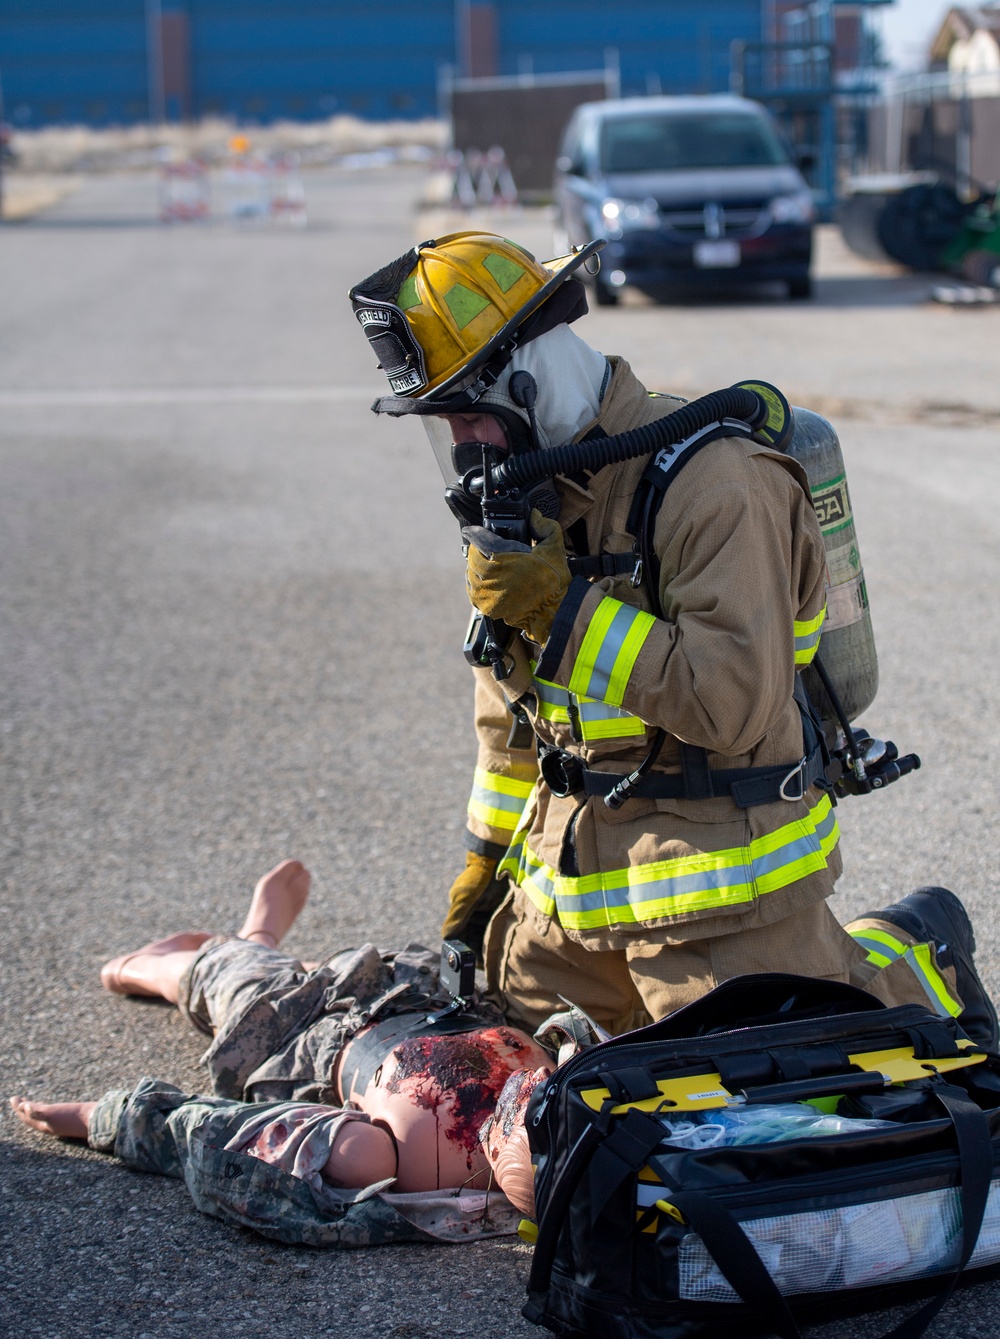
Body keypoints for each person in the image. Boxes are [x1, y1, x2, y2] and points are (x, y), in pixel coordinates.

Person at [349, 232, 999, 1050]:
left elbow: (731, 703)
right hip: (573, 895)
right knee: (506, 1077)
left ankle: (915, 960)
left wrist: (562, 612)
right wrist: (485, 864)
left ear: (529, 377)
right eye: (446, 429)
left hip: (718, 889)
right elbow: (512, 718)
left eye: (471, 418)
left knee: (786, 1090)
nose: (466, 453)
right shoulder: (529, 510)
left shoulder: (717, 484)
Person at [10, 859, 553, 1244]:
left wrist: (108, 1119)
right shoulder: (567, 1090)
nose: (536, 1094)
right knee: (249, 975)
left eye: (530, 1120)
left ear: (507, 1161)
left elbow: (240, 1136)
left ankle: (205, 954)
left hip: (304, 1032)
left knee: (229, 985)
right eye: (551, 1101)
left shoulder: (405, 1162)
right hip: (412, 990)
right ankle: (250, 947)